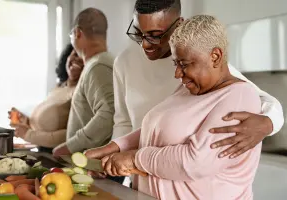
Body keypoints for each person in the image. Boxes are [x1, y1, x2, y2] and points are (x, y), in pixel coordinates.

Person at [85, 0, 283, 163]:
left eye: (155, 35)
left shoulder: (201, 67)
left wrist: (267, 123)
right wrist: (112, 159)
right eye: (138, 33)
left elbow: (268, 102)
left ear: (179, 25)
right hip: (140, 173)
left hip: (181, 171)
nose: (145, 44)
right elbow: (124, 122)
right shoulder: (124, 62)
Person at [91, 15, 262, 200]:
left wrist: (134, 158)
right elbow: (156, 128)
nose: (177, 73)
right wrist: (116, 147)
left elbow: (195, 162)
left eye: (184, 64)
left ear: (215, 57)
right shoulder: (188, 90)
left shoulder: (240, 98)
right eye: (176, 63)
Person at [52, 8, 115, 156]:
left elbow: (109, 114)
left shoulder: (97, 66)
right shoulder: (102, 63)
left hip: (90, 166)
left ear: (77, 33)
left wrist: (69, 147)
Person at [10, 44, 84, 151]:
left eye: (84, 58)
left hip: (59, 158)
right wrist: (26, 121)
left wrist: (28, 135)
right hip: (43, 153)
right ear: (67, 57)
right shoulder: (60, 87)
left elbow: (72, 134)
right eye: (75, 54)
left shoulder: (80, 92)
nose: (78, 60)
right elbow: (45, 127)